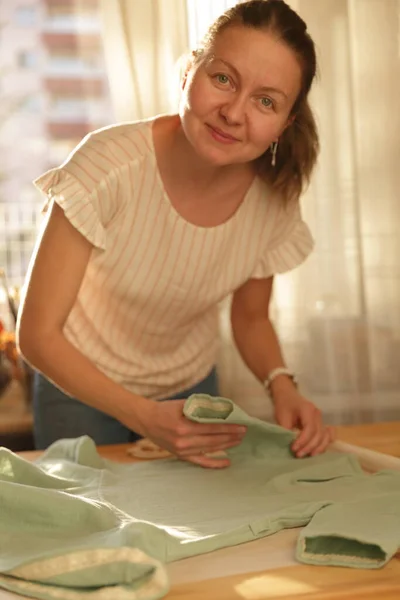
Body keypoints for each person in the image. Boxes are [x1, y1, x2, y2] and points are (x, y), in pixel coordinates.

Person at [17, 0, 335, 468]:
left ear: (284, 125)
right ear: (189, 72)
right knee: (90, 533)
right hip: (77, 387)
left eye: (265, 101)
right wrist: (145, 416)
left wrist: (282, 386)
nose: (233, 113)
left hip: (192, 391)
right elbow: (38, 335)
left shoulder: (275, 199)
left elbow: (250, 319)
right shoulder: (107, 166)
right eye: (223, 78)